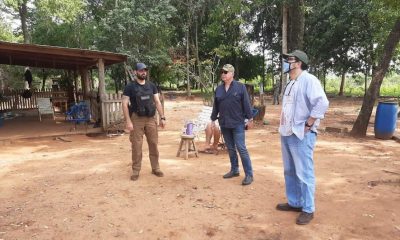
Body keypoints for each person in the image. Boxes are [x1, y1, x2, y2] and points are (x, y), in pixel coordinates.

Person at [276, 50, 329, 225]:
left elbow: (322, 102)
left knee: (304, 173)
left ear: (298, 63)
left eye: (289, 60)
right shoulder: (291, 83)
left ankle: (308, 208)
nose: (285, 62)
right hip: (287, 132)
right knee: (289, 171)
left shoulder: (309, 80)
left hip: (301, 134)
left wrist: (309, 124)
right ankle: (295, 202)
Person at [211, 64, 254, 186]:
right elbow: (216, 106)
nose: (223, 74)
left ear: (232, 74)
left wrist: (250, 119)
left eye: (226, 72)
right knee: (230, 148)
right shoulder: (218, 89)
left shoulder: (240, 87)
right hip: (224, 123)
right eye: (222, 72)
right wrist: (213, 120)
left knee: (241, 148)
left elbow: (246, 103)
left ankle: (249, 175)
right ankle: (234, 170)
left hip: (237, 123)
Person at [122, 62, 166, 181]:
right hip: (136, 119)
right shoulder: (130, 87)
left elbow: (157, 102)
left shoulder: (152, 86)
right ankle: (136, 170)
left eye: (145, 70)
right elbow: (125, 104)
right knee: (137, 145)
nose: (143, 72)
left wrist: (162, 117)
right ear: (136, 72)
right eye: (141, 70)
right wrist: (128, 121)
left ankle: (155, 168)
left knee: (153, 143)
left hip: (151, 119)